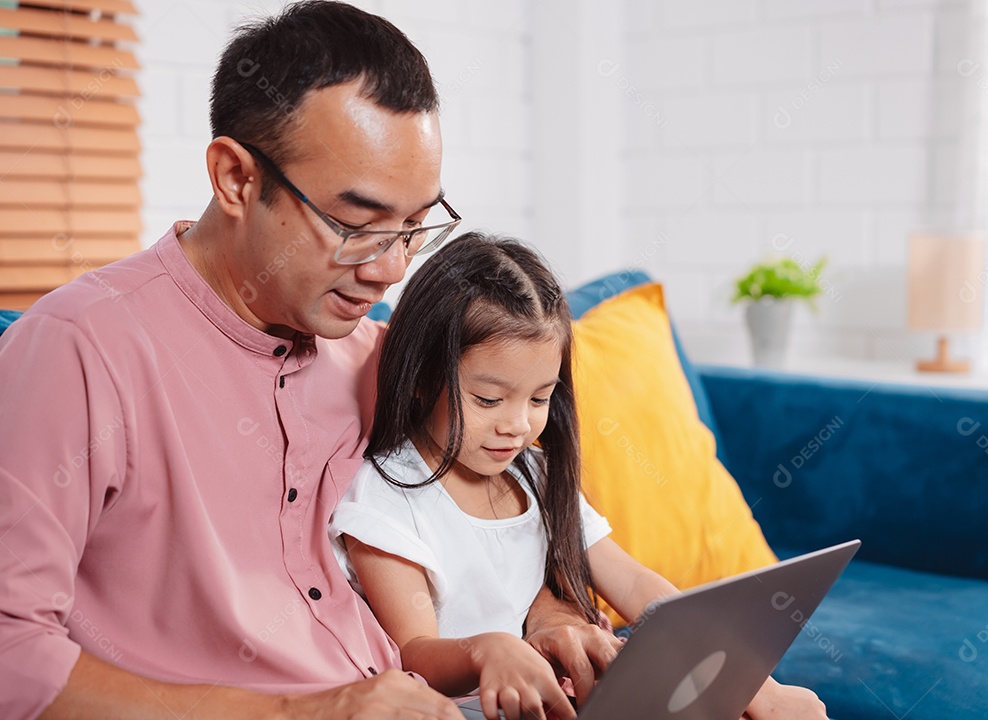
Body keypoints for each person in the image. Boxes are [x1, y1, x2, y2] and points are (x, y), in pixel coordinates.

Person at [0, 4, 617, 719]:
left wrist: (545, 621)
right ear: (235, 178)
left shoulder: (382, 358)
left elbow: (491, 527)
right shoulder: (80, 347)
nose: (391, 270)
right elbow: (11, 652)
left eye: (414, 227)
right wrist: (307, 711)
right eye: (355, 226)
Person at [329, 233, 829, 720]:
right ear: (420, 379)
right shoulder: (387, 493)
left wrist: (761, 686)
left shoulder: (536, 473)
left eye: (539, 398)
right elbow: (415, 652)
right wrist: (491, 651)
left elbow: (634, 584)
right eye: (488, 399)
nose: (517, 424)